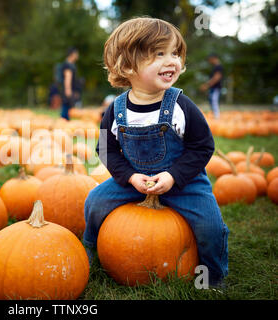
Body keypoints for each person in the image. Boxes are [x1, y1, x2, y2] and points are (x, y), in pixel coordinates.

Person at [83, 17, 229, 289]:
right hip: (136, 179)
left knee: (211, 225)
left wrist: (174, 176)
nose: (171, 61)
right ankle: (89, 248)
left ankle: (212, 278)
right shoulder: (115, 110)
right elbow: (105, 148)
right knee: (95, 201)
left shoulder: (180, 105)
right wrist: (128, 177)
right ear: (127, 66)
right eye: (159, 54)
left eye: (175, 53)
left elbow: (203, 146)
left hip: (184, 182)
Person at [200, 53, 223, 119]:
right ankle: (215, 116)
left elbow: (216, 78)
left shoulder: (218, 67)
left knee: (214, 101)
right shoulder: (215, 67)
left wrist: (206, 85)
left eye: (210, 59)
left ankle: (216, 117)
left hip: (216, 88)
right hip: (213, 88)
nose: (209, 61)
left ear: (214, 58)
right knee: (212, 101)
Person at [60, 47, 80, 120]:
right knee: (66, 108)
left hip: (71, 90)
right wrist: (68, 90)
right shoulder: (68, 65)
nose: (78, 55)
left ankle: (65, 122)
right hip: (68, 90)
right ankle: (63, 122)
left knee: (68, 108)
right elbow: (67, 78)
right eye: (76, 53)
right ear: (72, 54)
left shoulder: (71, 65)